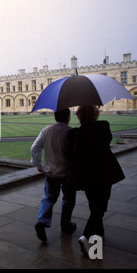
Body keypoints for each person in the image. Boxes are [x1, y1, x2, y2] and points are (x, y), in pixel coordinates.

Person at [66, 106, 125, 257]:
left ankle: (99, 236)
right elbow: (107, 140)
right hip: (104, 174)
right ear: (96, 115)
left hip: (86, 177)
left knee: (95, 206)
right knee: (100, 208)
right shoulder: (103, 127)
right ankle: (86, 237)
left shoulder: (74, 133)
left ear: (78, 117)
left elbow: (69, 155)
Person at [31, 108, 76, 243]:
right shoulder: (71, 131)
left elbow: (34, 148)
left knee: (49, 198)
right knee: (68, 199)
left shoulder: (46, 130)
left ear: (55, 116)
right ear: (68, 117)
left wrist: (38, 164)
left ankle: (42, 221)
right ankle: (66, 225)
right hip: (67, 173)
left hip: (51, 172)